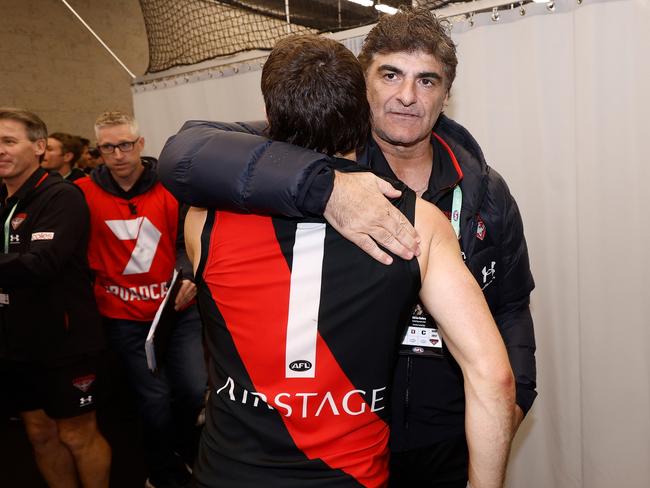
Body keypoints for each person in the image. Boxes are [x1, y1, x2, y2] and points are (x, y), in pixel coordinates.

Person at [158, 7, 537, 487]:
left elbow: (513, 305)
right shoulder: (269, 166)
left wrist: (517, 393)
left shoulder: (484, 189)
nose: (406, 96)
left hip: (446, 427)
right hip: (360, 441)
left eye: (426, 81)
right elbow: (185, 154)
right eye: (391, 75)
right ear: (361, 87)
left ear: (445, 94)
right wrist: (326, 187)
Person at [75, 112, 207, 488]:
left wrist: (189, 274)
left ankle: (183, 449)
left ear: (141, 145)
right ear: (98, 150)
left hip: (176, 311)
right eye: (108, 147)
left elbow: (189, 238)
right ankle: (162, 471)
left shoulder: (170, 185)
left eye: (126, 145)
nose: (118, 154)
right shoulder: (82, 193)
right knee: (153, 401)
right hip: (122, 317)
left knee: (194, 390)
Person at [0, 108, 111, 487]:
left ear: (40, 146)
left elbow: (39, 264)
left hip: (64, 342)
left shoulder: (61, 196)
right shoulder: (3, 199)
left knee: (77, 435)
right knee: (39, 433)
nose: (0, 150)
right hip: (13, 342)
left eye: (9, 141)